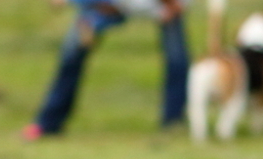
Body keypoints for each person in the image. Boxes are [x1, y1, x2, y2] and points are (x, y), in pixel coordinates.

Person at [22, 0, 189, 140]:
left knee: (176, 57)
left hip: (164, 4)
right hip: (113, 4)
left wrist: (171, 3)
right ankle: (49, 122)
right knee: (72, 53)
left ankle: (173, 121)